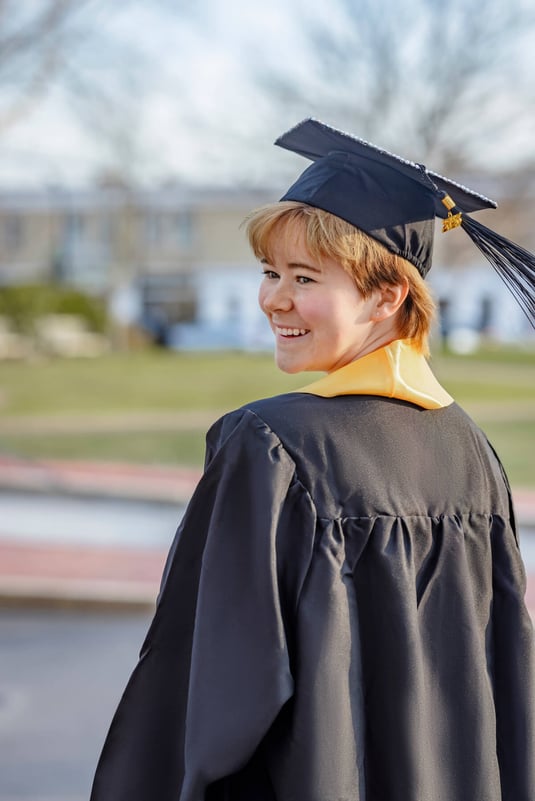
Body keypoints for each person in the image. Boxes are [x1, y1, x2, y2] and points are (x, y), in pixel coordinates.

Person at [90, 120, 535, 801]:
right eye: (270, 272)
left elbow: (211, 692)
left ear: (387, 295)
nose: (273, 298)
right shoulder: (474, 454)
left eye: (304, 276)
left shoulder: (271, 446)